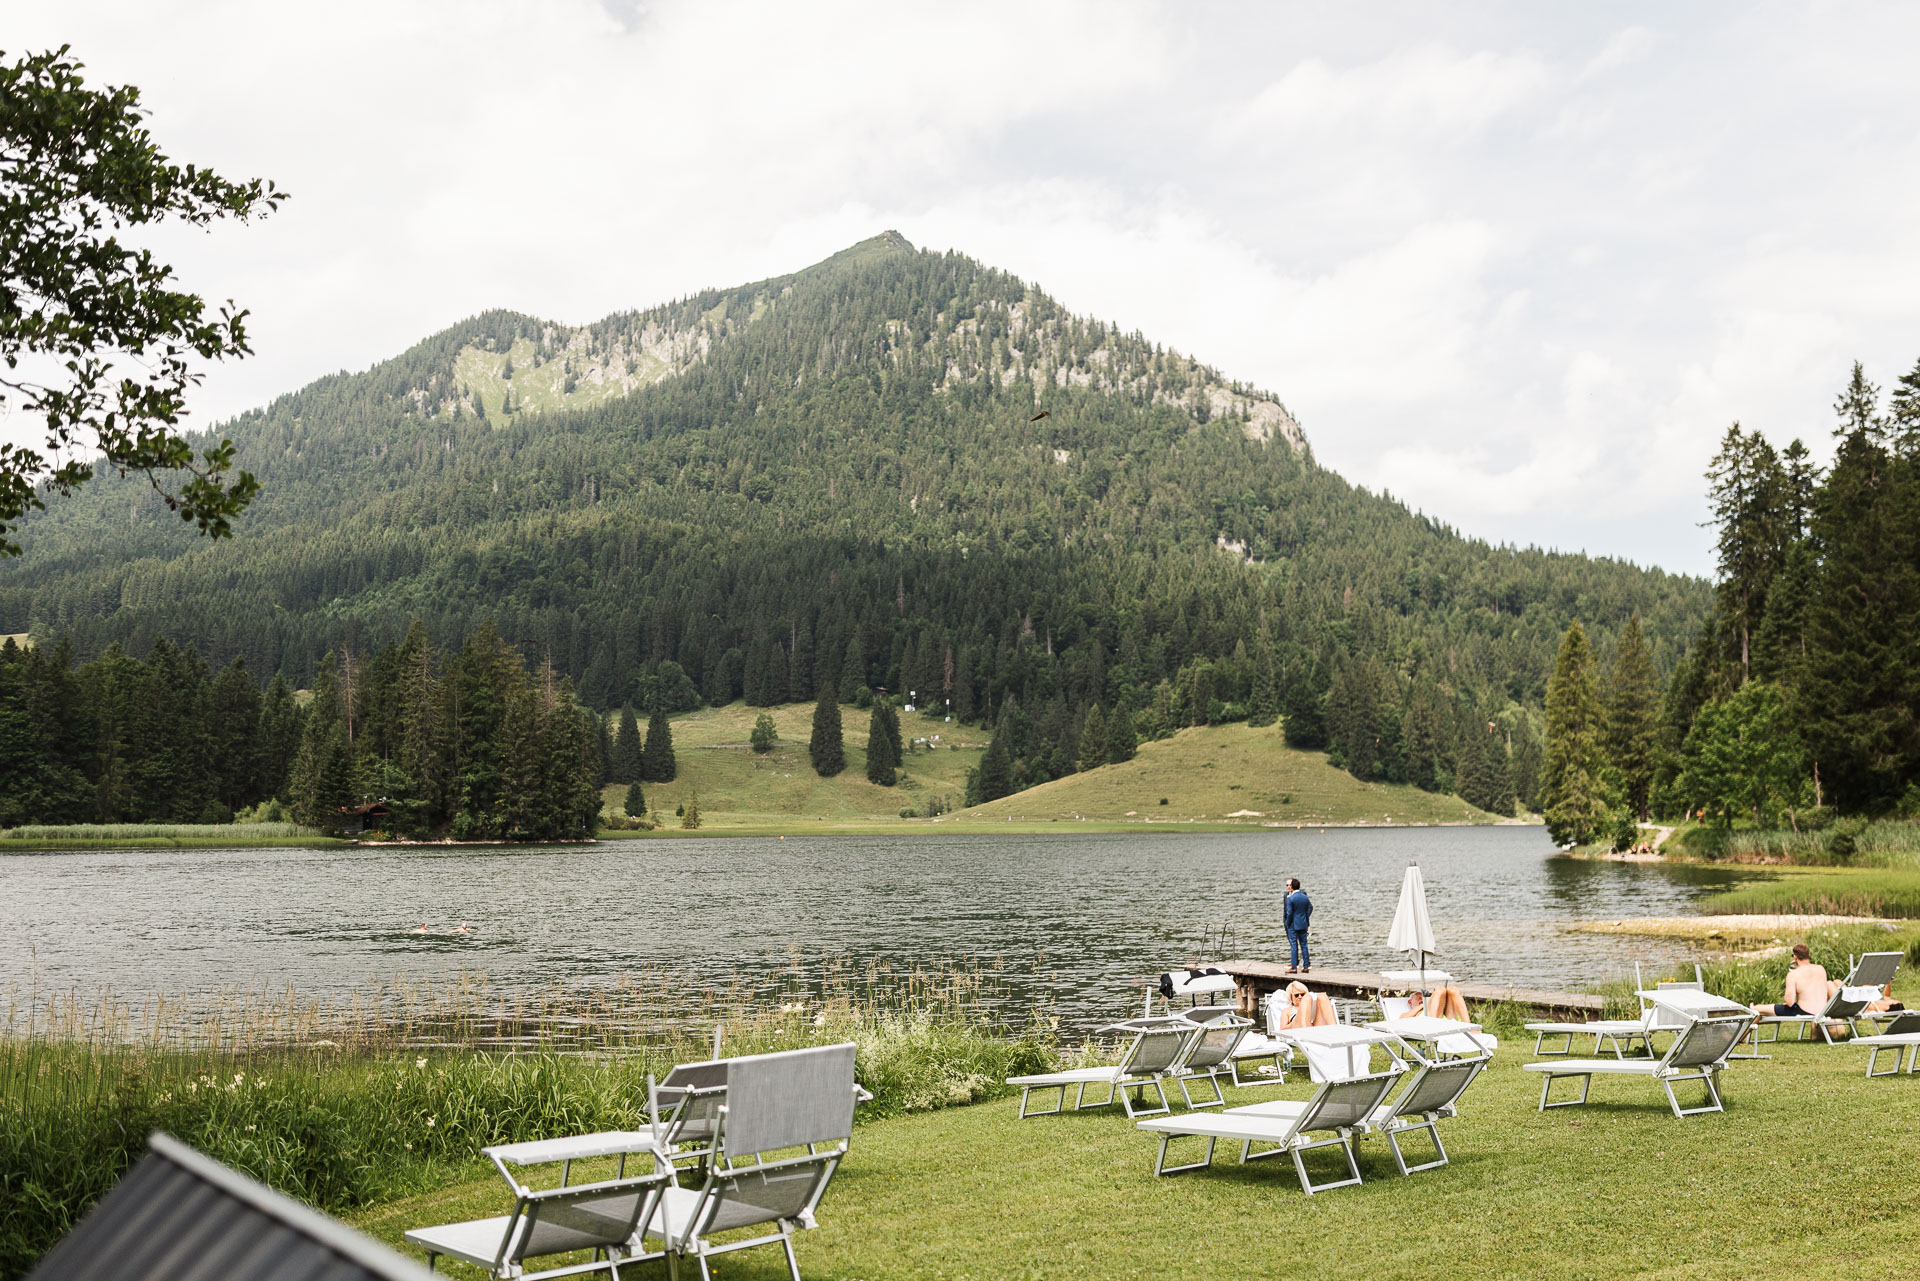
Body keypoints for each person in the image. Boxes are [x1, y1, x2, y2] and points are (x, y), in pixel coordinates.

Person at [1752, 944, 1827, 1020]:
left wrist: (1793, 1005)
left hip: (1803, 1012)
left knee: (1758, 1009)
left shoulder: (1793, 974)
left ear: (1795, 957)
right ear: (1808, 955)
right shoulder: (1821, 969)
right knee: (1761, 1011)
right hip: (1822, 1012)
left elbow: (1789, 1002)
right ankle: (1750, 1026)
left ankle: (1750, 1020)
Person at [1282, 877, 1313, 973]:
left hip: (1293, 925)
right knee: (1304, 945)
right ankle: (1306, 966)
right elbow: (1310, 907)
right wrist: (1306, 918)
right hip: (1303, 924)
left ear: (1292, 886)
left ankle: (1294, 967)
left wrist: (1287, 923)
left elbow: (1289, 913)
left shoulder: (1291, 899)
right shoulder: (1304, 897)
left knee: (1293, 945)